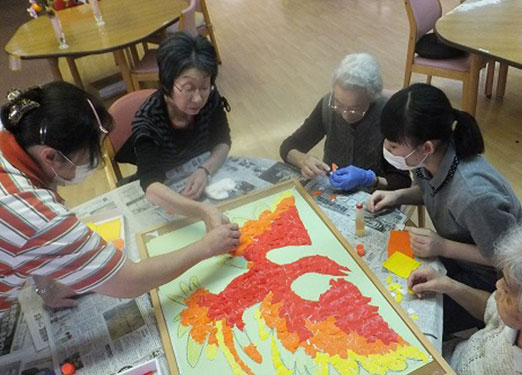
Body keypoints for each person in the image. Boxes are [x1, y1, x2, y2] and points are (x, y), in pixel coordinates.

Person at [0, 82, 240, 317]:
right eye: (88, 155)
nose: (95, 162)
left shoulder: (13, 130)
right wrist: (207, 246)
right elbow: (129, 282)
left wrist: (46, 286)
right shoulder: (37, 216)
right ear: (51, 156)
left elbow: (28, 242)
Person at [368, 83, 522, 335]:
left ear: (426, 147)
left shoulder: (475, 196)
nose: (387, 149)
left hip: (493, 281)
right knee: (386, 279)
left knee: (399, 320)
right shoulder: (428, 159)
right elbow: (431, 190)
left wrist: (442, 246)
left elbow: (507, 256)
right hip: (459, 260)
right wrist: (396, 195)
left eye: (394, 145)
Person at [408, 219, 522, 375]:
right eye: (502, 279)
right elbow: (491, 309)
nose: (498, 286)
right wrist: (449, 285)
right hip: (451, 354)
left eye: (507, 291)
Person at [117, 32, 232, 207]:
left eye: (204, 87)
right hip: (168, 190)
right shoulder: (149, 121)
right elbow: (150, 183)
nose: (198, 99)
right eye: (188, 88)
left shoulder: (211, 98)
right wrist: (200, 210)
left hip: (203, 175)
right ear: (167, 84)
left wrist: (204, 170)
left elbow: (223, 140)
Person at [279, 53, 411, 191]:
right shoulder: (328, 105)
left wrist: (369, 179)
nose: (345, 114)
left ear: (372, 97)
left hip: (374, 196)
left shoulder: (387, 115)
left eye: (355, 108)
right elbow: (289, 146)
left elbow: (402, 181)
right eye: (339, 104)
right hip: (332, 188)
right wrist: (302, 160)